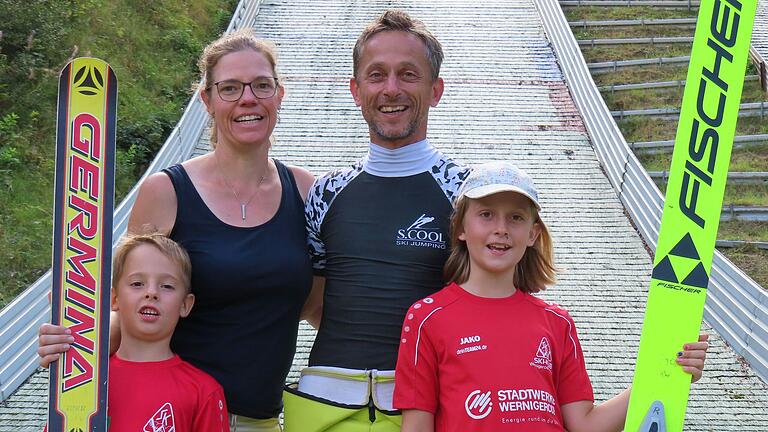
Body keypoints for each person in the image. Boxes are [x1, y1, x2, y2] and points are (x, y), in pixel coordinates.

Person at [289, 9, 708, 432]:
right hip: (330, 399)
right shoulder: (327, 193)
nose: (391, 88)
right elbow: (319, 302)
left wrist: (663, 365)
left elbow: (502, 303)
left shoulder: (464, 190)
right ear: (355, 89)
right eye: (376, 75)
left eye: (408, 74)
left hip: (419, 407)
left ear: (436, 90)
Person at [38, 28, 316, 432]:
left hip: (260, 421)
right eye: (230, 88)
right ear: (206, 99)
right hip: (170, 415)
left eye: (261, 85)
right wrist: (78, 342)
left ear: (279, 94)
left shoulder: (307, 192)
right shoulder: (167, 192)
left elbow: (318, 306)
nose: (248, 99)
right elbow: (130, 305)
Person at [393, 161, 707, 432]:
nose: (501, 229)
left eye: (516, 217)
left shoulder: (556, 322)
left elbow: (586, 424)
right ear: (461, 227)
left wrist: (663, 373)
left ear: (532, 234)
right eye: (486, 214)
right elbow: (417, 425)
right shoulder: (426, 318)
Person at [46, 233, 230, 432]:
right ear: (114, 299)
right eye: (137, 284)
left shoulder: (204, 392)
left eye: (167, 286)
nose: (151, 293)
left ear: (185, 305)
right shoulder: (81, 380)